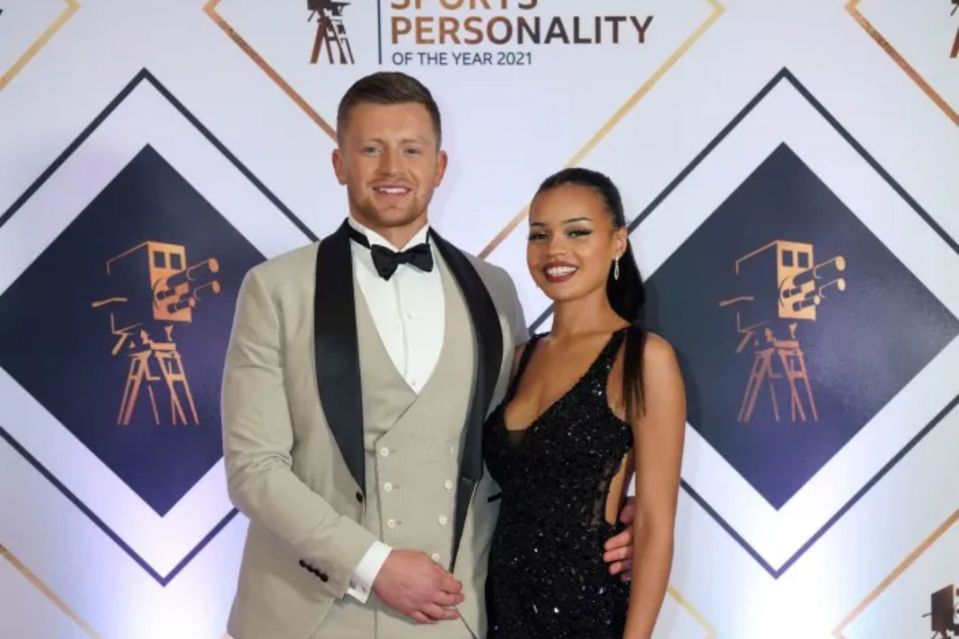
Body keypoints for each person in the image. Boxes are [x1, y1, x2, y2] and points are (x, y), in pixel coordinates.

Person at [221, 72, 634, 639]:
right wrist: (373, 564)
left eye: (411, 150)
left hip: (454, 609)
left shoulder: (495, 289)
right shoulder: (274, 289)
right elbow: (253, 469)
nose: (392, 169)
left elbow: (521, 442)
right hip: (309, 613)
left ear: (439, 166)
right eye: (371, 149)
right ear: (340, 163)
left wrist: (608, 513)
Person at [482, 168, 686, 639]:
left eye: (577, 232)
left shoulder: (643, 358)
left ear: (617, 242)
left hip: (586, 613)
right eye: (540, 234)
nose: (555, 250)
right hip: (499, 609)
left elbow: (655, 526)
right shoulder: (519, 358)